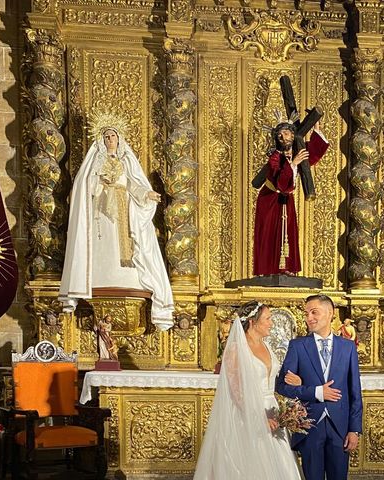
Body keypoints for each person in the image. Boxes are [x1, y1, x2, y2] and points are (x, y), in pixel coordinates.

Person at [59, 116, 174, 330]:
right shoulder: (96, 162)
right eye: (106, 137)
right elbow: (85, 187)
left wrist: (147, 193)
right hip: (101, 213)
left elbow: (133, 185)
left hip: (123, 209)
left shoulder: (126, 161)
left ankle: (125, 277)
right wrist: (99, 182)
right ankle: (101, 275)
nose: (110, 140)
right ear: (101, 141)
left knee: (126, 243)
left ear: (119, 139)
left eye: (113, 136)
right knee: (105, 246)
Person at [194, 301, 303, 480]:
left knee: (280, 462)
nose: (271, 323)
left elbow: (273, 377)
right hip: (248, 413)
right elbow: (236, 391)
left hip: (272, 410)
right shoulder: (236, 350)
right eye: (267, 319)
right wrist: (259, 418)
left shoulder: (267, 346)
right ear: (253, 321)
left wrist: (296, 382)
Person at [276, 295, 363, 480]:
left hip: (340, 427)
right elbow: (282, 386)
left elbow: (355, 392)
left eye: (314, 312)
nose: (309, 318)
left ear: (330, 313)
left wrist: (354, 430)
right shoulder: (298, 346)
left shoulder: (348, 347)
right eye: (306, 313)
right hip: (309, 426)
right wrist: (315, 391)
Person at [253, 118, 328, 276]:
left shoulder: (297, 151)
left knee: (287, 232)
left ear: (294, 135)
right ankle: (268, 270)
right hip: (270, 199)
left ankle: (286, 268)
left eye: (286, 133)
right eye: (279, 134)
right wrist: (293, 164)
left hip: (286, 200)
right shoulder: (275, 157)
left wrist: (316, 129)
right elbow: (280, 181)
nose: (282, 136)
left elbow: (313, 154)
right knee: (269, 233)